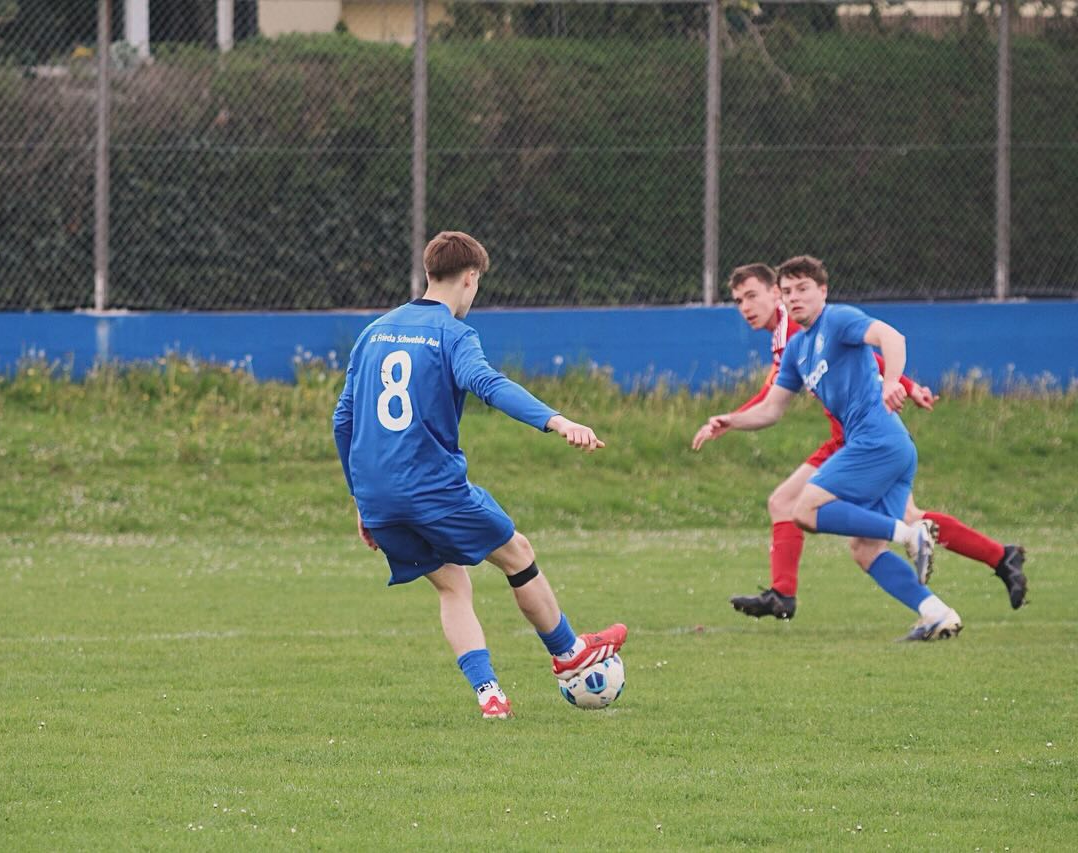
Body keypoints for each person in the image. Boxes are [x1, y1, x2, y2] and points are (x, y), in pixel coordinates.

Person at [332, 231, 626, 718]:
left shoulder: (374, 331)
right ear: (470, 279)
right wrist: (558, 420)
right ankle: (569, 652)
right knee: (518, 554)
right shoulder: (453, 334)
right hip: (432, 490)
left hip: (380, 498)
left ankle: (489, 694)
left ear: (429, 273)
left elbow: (343, 420)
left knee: (453, 585)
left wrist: (362, 501)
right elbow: (487, 383)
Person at [693, 263, 1027, 619]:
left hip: (861, 437)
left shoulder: (803, 325)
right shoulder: (793, 342)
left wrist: (900, 384)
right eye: (739, 300)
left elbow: (877, 344)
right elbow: (774, 402)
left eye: (752, 296)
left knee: (796, 505)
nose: (745, 307)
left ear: (777, 292)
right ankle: (966, 585)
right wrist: (732, 419)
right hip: (854, 434)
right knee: (881, 531)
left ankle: (784, 594)